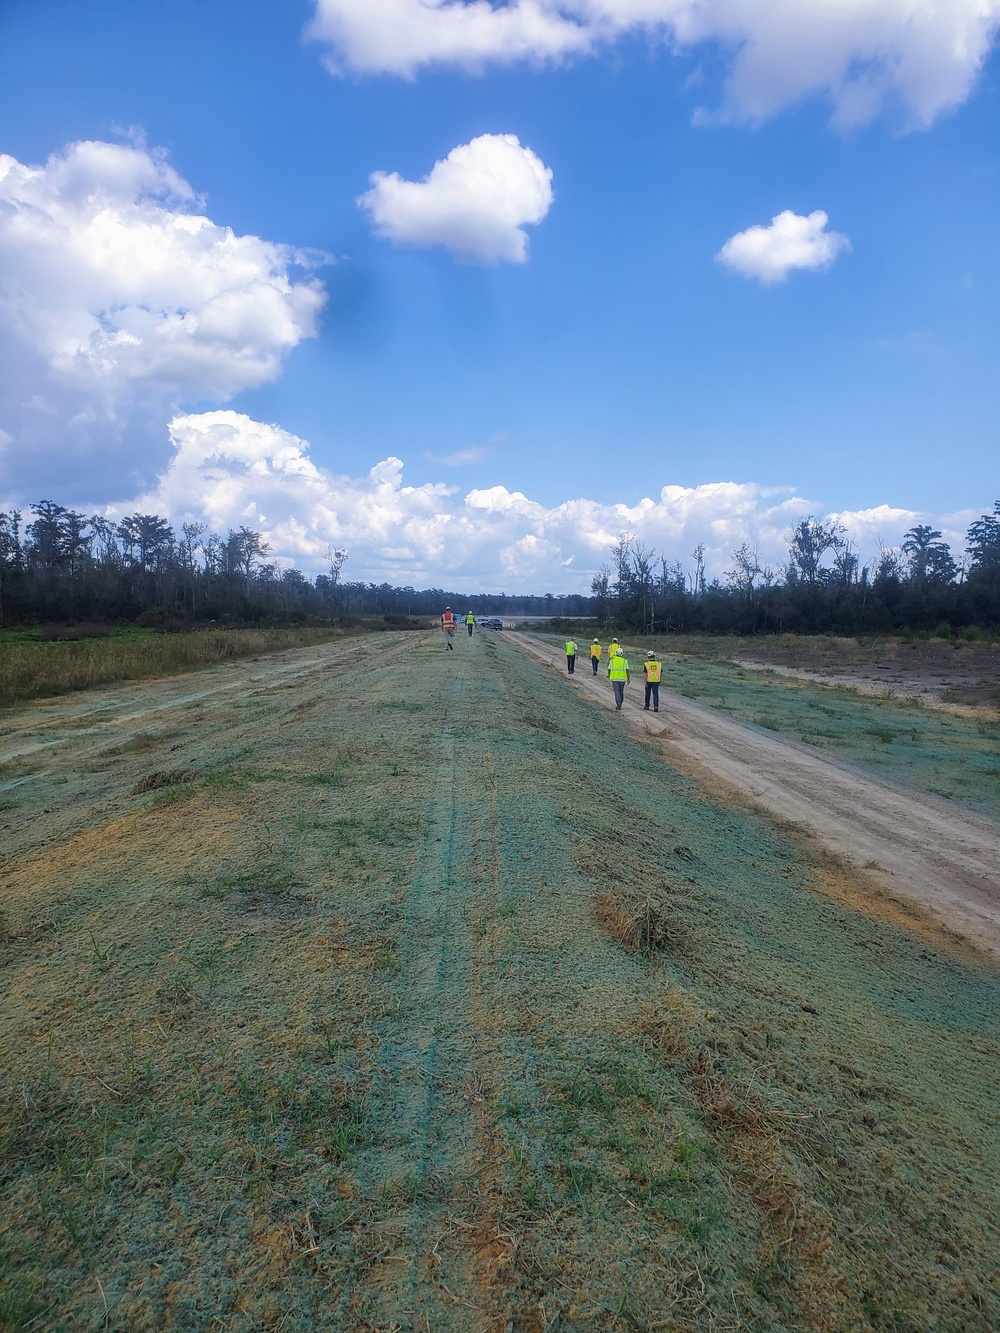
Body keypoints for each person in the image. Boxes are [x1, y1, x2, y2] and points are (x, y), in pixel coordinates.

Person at [608, 645, 630, 710]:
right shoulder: (625, 661)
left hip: (614, 678)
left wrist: (609, 675)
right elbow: (627, 670)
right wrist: (628, 678)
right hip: (622, 679)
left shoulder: (612, 661)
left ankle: (618, 704)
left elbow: (609, 669)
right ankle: (621, 702)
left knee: (616, 691)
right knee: (621, 691)